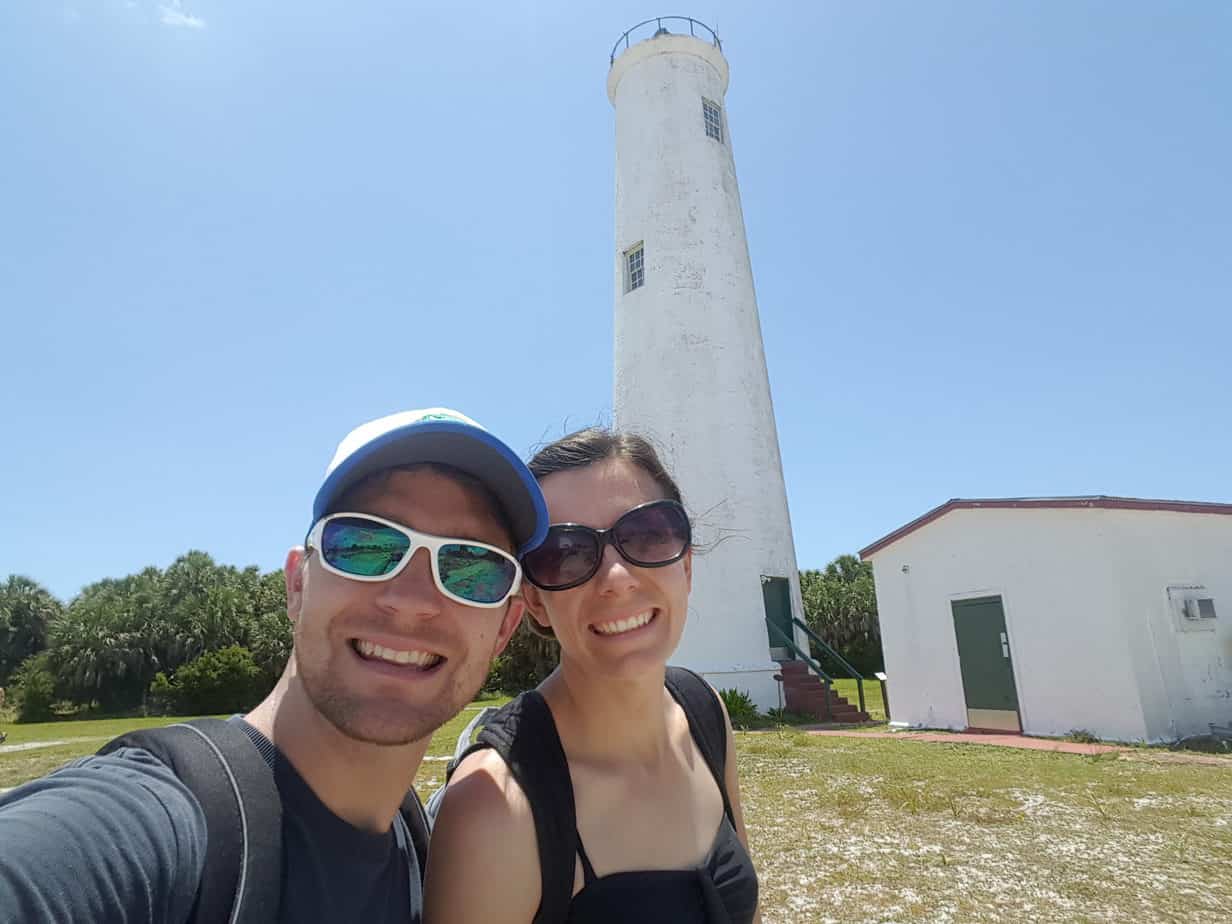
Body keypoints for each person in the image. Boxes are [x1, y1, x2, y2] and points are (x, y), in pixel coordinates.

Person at [0, 407, 548, 924]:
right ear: (297, 584)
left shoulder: (421, 849)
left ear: (503, 628)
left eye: (472, 568)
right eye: (364, 544)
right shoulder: (154, 824)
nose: (410, 599)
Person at [425, 428, 760, 923]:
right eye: (566, 554)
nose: (618, 579)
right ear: (535, 599)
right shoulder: (494, 807)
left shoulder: (703, 710)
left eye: (649, 534)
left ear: (685, 566)